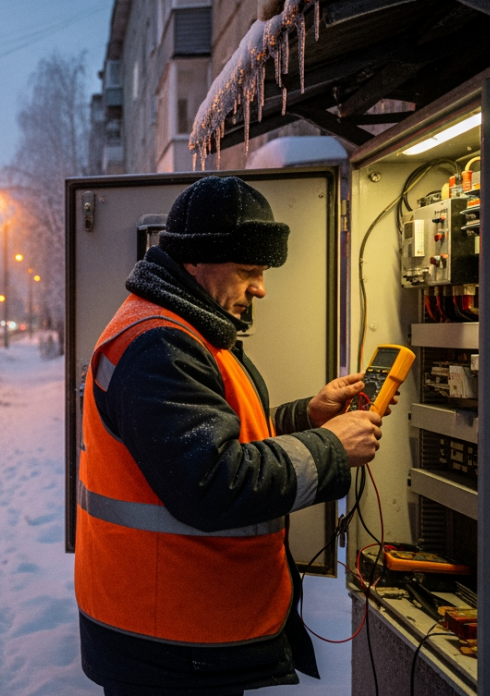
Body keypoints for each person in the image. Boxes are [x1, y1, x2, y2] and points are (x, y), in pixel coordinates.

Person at [75, 176, 386, 696]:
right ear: (198, 261)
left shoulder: (185, 328)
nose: (260, 287)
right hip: (169, 645)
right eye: (249, 271)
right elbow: (213, 481)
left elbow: (218, 434)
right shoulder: (160, 345)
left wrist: (306, 417)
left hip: (180, 628)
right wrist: (332, 447)